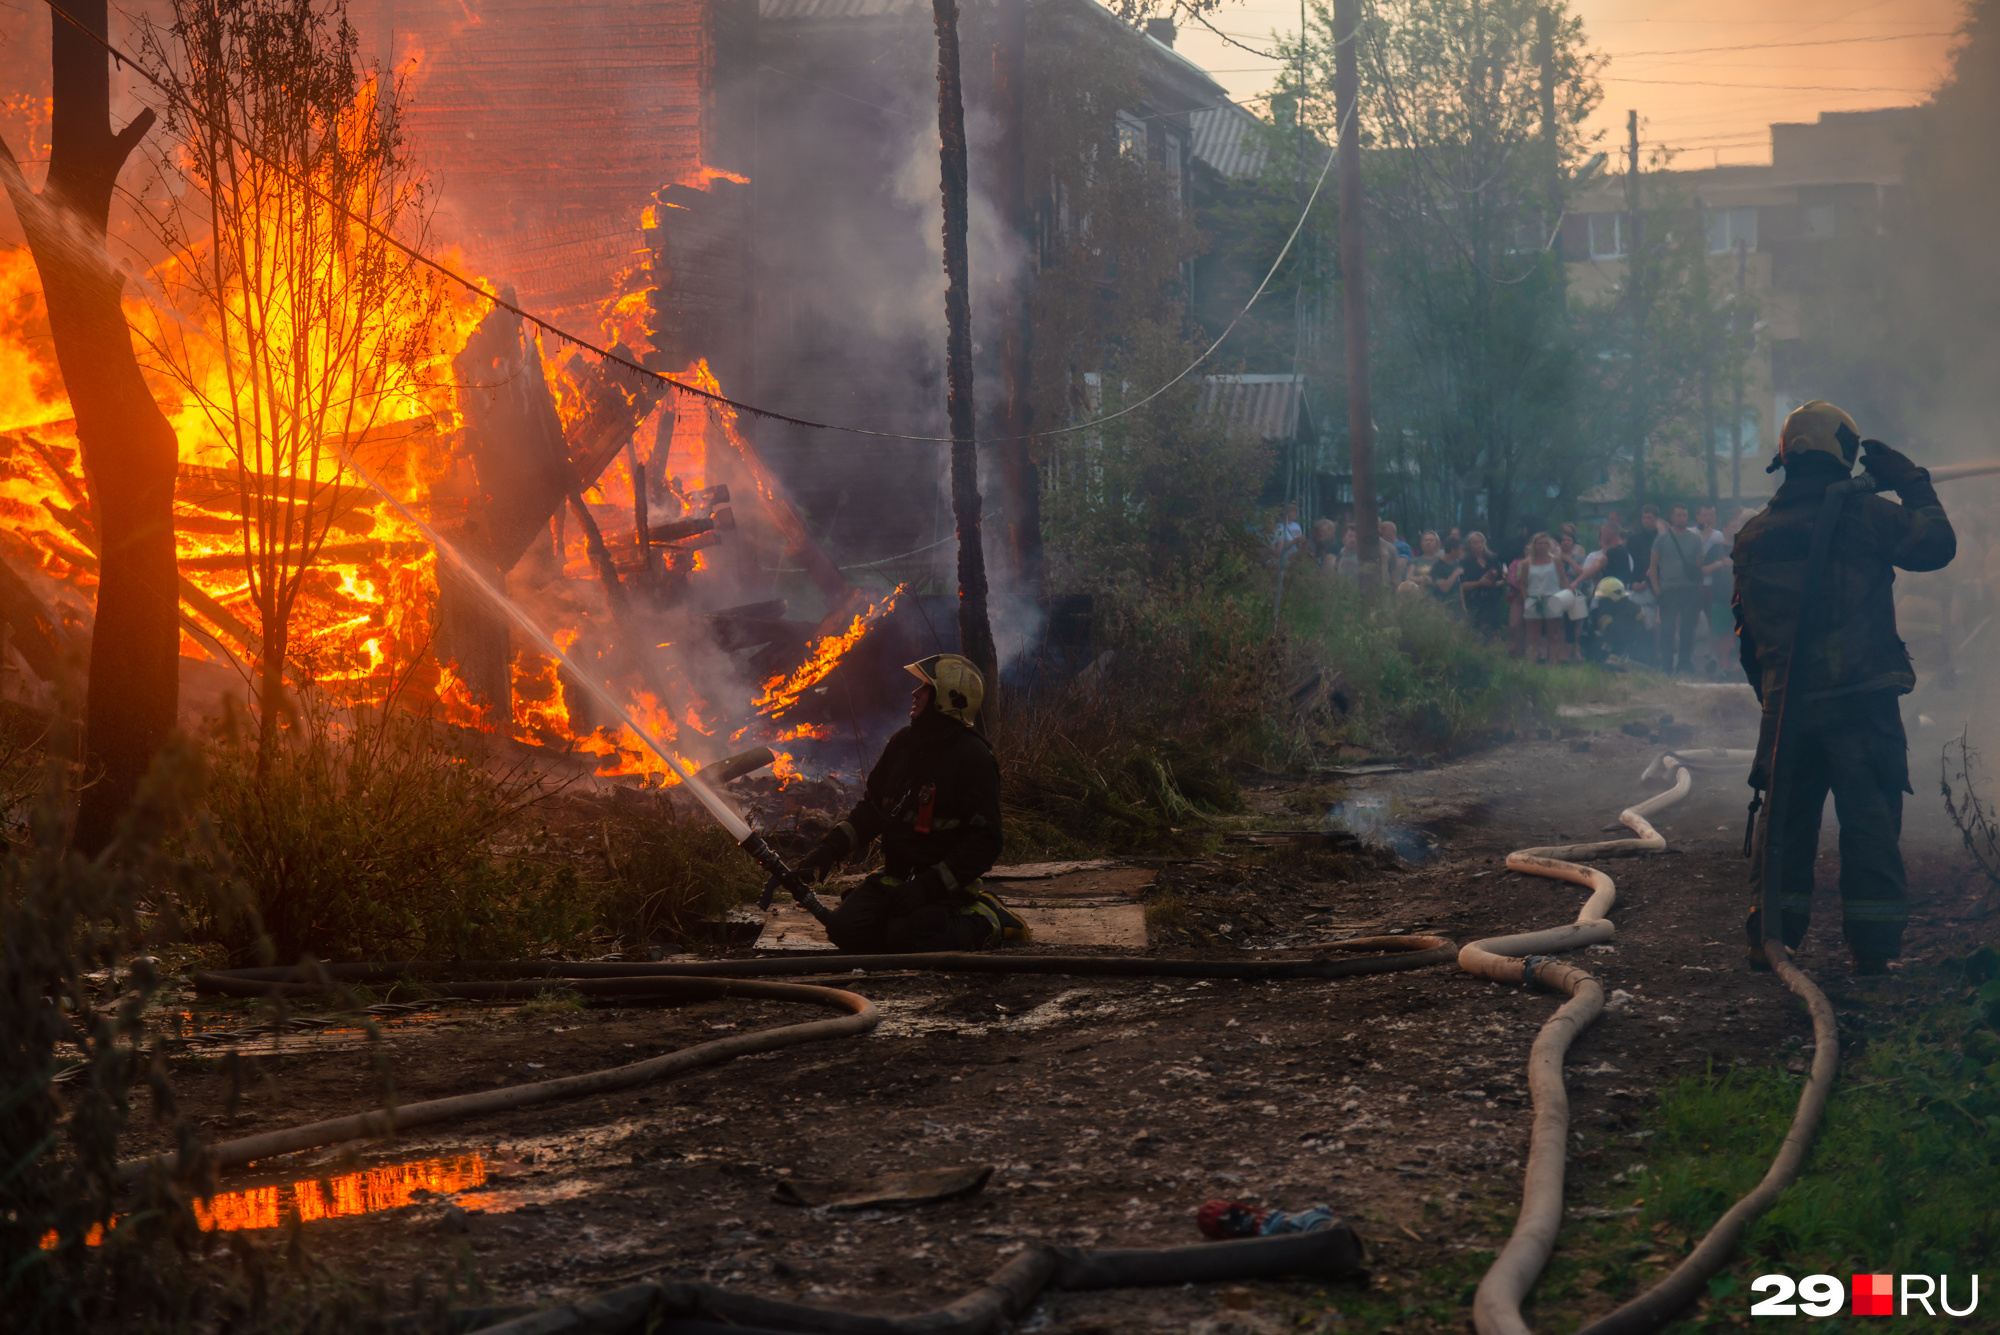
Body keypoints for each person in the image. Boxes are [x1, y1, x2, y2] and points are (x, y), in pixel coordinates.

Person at [1733, 400, 1955, 975]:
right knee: (1870, 825)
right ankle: (1873, 953)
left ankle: (1770, 941)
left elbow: (1746, 641)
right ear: (1845, 455)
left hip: (1787, 711)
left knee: (1783, 826)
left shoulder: (1752, 536)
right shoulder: (1866, 516)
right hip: (1862, 705)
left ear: (1785, 457)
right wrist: (1913, 482)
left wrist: (1774, 698)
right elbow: (1938, 546)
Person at [798, 655, 1026, 953]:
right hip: (896, 877)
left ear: (949, 699)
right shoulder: (903, 744)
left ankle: (989, 917)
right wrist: (825, 852)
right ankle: (902, 926)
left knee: (914, 941)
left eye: (925, 688)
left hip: (944, 886)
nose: (914, 694)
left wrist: (926, 887)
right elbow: (872, 811)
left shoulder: (973, 758)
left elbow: (986, 841)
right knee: (845, 931)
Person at [1649, 504, 1706, 674]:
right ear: (1672, 518)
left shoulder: (1695, 539)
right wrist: (1657, 588)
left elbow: (1698, 566)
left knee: (1688, 629)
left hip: (1690, 589)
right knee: (1667, 628)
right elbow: (1653, 566)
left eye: (1685, 515)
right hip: (1668, 589)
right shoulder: (1662, 539)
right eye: (1679, 515)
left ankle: (1684, 663)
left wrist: (1699, 588)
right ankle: (1666, 664)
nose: (1682, 518)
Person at [1514, 532, 1575, 664]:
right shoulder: (1526, 563)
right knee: (1533, 636)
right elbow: (1523, 585)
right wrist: (1527, 600)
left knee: (1554, 634)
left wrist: (1569, 593)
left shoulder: (1555, 560)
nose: (1542, 546)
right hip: (1533, 599)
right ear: (1534, 545)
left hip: (1552, 598)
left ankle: (1554, 663)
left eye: (1545, 543)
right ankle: (1532, 662)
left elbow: (1563, 580)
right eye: (1539, 543)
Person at [1579, 576, 1643, 664]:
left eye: (1604, 599)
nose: (1602, 603)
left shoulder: (1629, 612)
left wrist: (1607, 625)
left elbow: (1620, 638)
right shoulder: (1607, 611)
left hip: (1631, 654)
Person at [1458, 531, 1506, 639]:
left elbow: (1502, 579)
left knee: (1494, 633)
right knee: (1478, 634)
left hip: (1492, 600)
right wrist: (1479, 582)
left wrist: (1494, 584)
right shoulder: (1464, 562)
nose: (1479, 545)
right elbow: (1461, 584)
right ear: (1469, 545)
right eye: (1475, 543)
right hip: (1475, 601)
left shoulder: (1493, 558)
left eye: (1481, 542)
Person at [1409, 530, 1460, 606]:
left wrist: (1433, 581)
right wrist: (1422, 579)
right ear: (1422, 543)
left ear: (1437, 543)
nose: (1428, 542)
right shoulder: (1415, 560)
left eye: (1431, 540)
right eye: (1426, 540)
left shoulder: (1443, 561)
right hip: (1418, 597)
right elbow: (1408, 577)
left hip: (1440, 598)